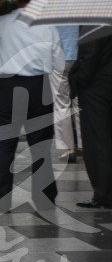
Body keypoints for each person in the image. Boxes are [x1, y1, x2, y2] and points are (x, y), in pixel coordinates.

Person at [0, 0, 64, 214]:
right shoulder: (49, 26)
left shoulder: (1, 24)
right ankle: (45, 199)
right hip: (39, 87)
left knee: (5, 147)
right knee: (41, 146)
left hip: (9, 88)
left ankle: (0, 200)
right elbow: (58, 62)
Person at [72, 34, 112, 208]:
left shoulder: (95, 21)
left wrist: (79, 79)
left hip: (97, 85)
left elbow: (90, 54)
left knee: (97, 140)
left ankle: (103, 192)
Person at [50, 26, 81, 163]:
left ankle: (68, 148)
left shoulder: (51, 11)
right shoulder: (79, 8)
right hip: (79, 57)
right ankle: (84, 143)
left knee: (61, 103)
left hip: (58, 58)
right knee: (79, 101)